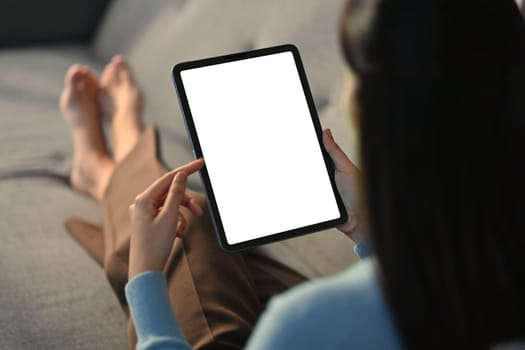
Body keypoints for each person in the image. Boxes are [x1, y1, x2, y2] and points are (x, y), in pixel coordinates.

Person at [61, 0, 525, 348]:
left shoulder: (306, 323)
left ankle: (111, 166)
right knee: (206, 222)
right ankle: (113, 163)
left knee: (184, 230)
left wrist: (143, 277)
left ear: (364, 112)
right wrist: (373, 239)